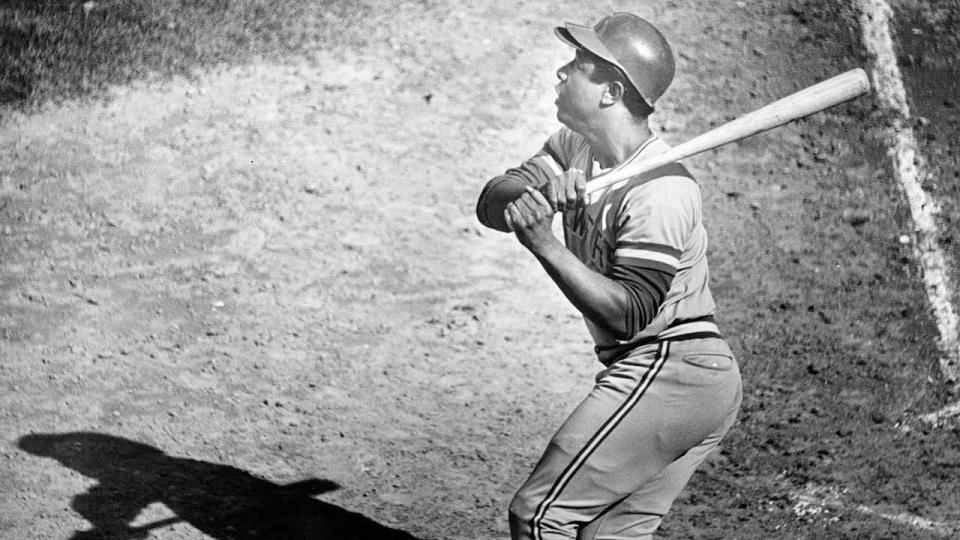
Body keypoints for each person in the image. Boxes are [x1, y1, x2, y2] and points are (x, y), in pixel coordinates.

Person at [475, 13, 743, 540]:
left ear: (611, 91)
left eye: (578, 65)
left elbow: (629, 314)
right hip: (671, 375)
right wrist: (535, 197)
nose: (561, 72)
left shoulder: (662, 191)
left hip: (675, 370)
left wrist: (544, 242)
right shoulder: (576, 147)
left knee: (540, 516)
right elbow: (492, 198)